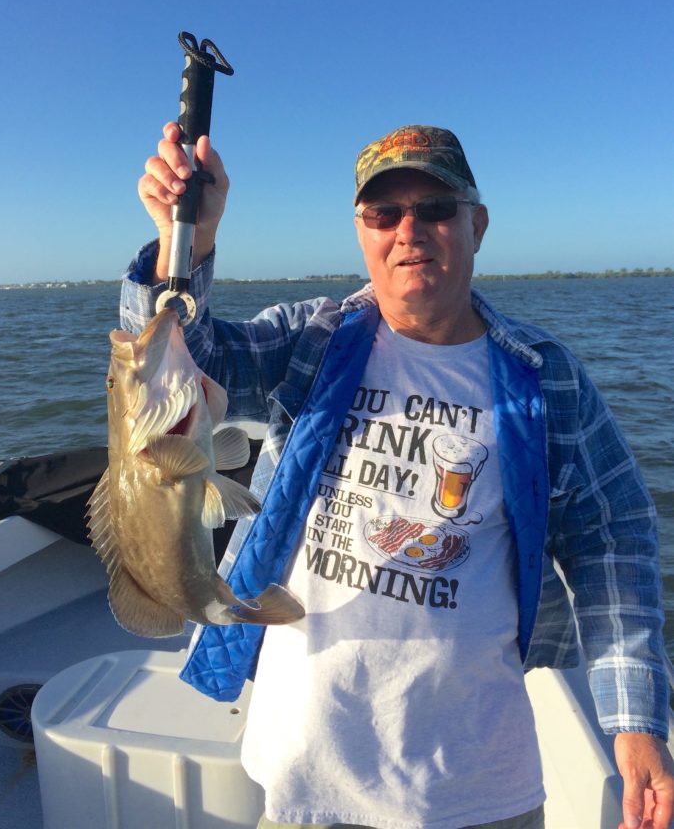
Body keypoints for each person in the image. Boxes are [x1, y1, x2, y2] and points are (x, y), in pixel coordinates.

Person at [123, 121, 674, 829]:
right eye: (385, 213)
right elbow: (177, 363)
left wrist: (634, 720)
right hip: (304, 783)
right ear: (362, 232)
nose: (409, 230)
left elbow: (612, 537)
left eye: (436, 209)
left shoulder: (546, 376)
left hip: (481, 791)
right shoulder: (311, 339)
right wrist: (188, 237)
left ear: (477, 225)